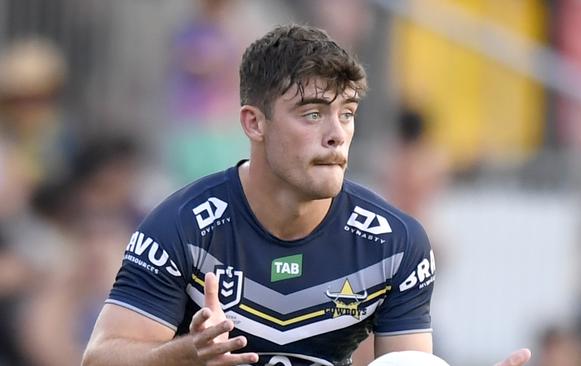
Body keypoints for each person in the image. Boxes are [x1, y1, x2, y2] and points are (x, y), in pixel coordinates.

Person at [82, 24, 531, 366]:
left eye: (348, 114)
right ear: (254, 123)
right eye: (313, 114)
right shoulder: (182, 226)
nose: (337, 135)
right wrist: (184, 354)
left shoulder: (395, 244)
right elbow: (98, 357)